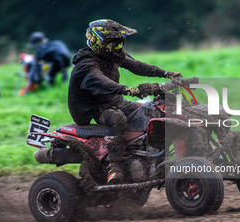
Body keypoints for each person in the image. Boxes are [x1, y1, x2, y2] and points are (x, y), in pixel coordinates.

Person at [68, 19, 181, 184]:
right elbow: (100, 81)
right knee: (117, 118)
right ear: (100, 42)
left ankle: (149, 155)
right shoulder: (85, 64)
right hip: (93, 109)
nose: (119, 47)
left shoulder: (111, 55)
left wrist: (165, 73)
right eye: (114, 43)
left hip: (113, 100)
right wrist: (127, 89)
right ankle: (114, 166)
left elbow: (136, 65)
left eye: (120, 43)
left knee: (151, 110)